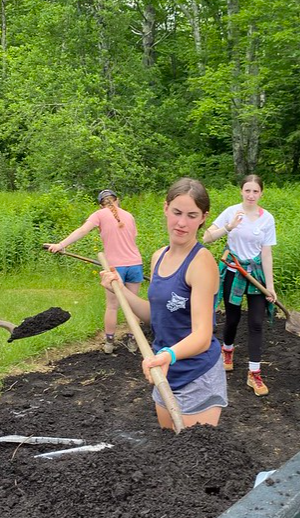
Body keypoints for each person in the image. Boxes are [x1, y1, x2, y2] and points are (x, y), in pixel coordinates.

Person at [100, 178, 227, 429]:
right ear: (165, 208)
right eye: (177, 212)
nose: (182, 223)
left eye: (192, 215)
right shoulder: (159, 257)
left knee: (194, 457)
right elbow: (155, 315)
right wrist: (120, 289)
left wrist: (168, 355)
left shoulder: (201, 263)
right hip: (164, 372)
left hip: (196, 374)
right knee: (169, 451)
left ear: (203, 218)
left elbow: (202, 336)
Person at [203, 175, 277, 396]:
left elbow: (266, 253)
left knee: (256, 323)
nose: (251, 195)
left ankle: (254, 373)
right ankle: (227, 350)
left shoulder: (267, 219)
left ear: (261, 193)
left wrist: (270, 286)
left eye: (255, 191)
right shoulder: (231, 212)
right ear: (241, 191)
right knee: (233, 318)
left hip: (255, 275)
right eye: (247, 191)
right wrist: (229, 226)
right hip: (234, 272)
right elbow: (207, 237)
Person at [46, 189, 143, 354]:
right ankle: (133, 340)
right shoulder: (129, 216)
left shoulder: (99, 214)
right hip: (135, 264)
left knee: (112, 306)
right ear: (117, 200)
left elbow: (82, 231)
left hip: (114, 267)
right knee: (133, 306)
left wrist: (60, 245)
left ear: (100, 204)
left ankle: (109, 343)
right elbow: (133, 237)